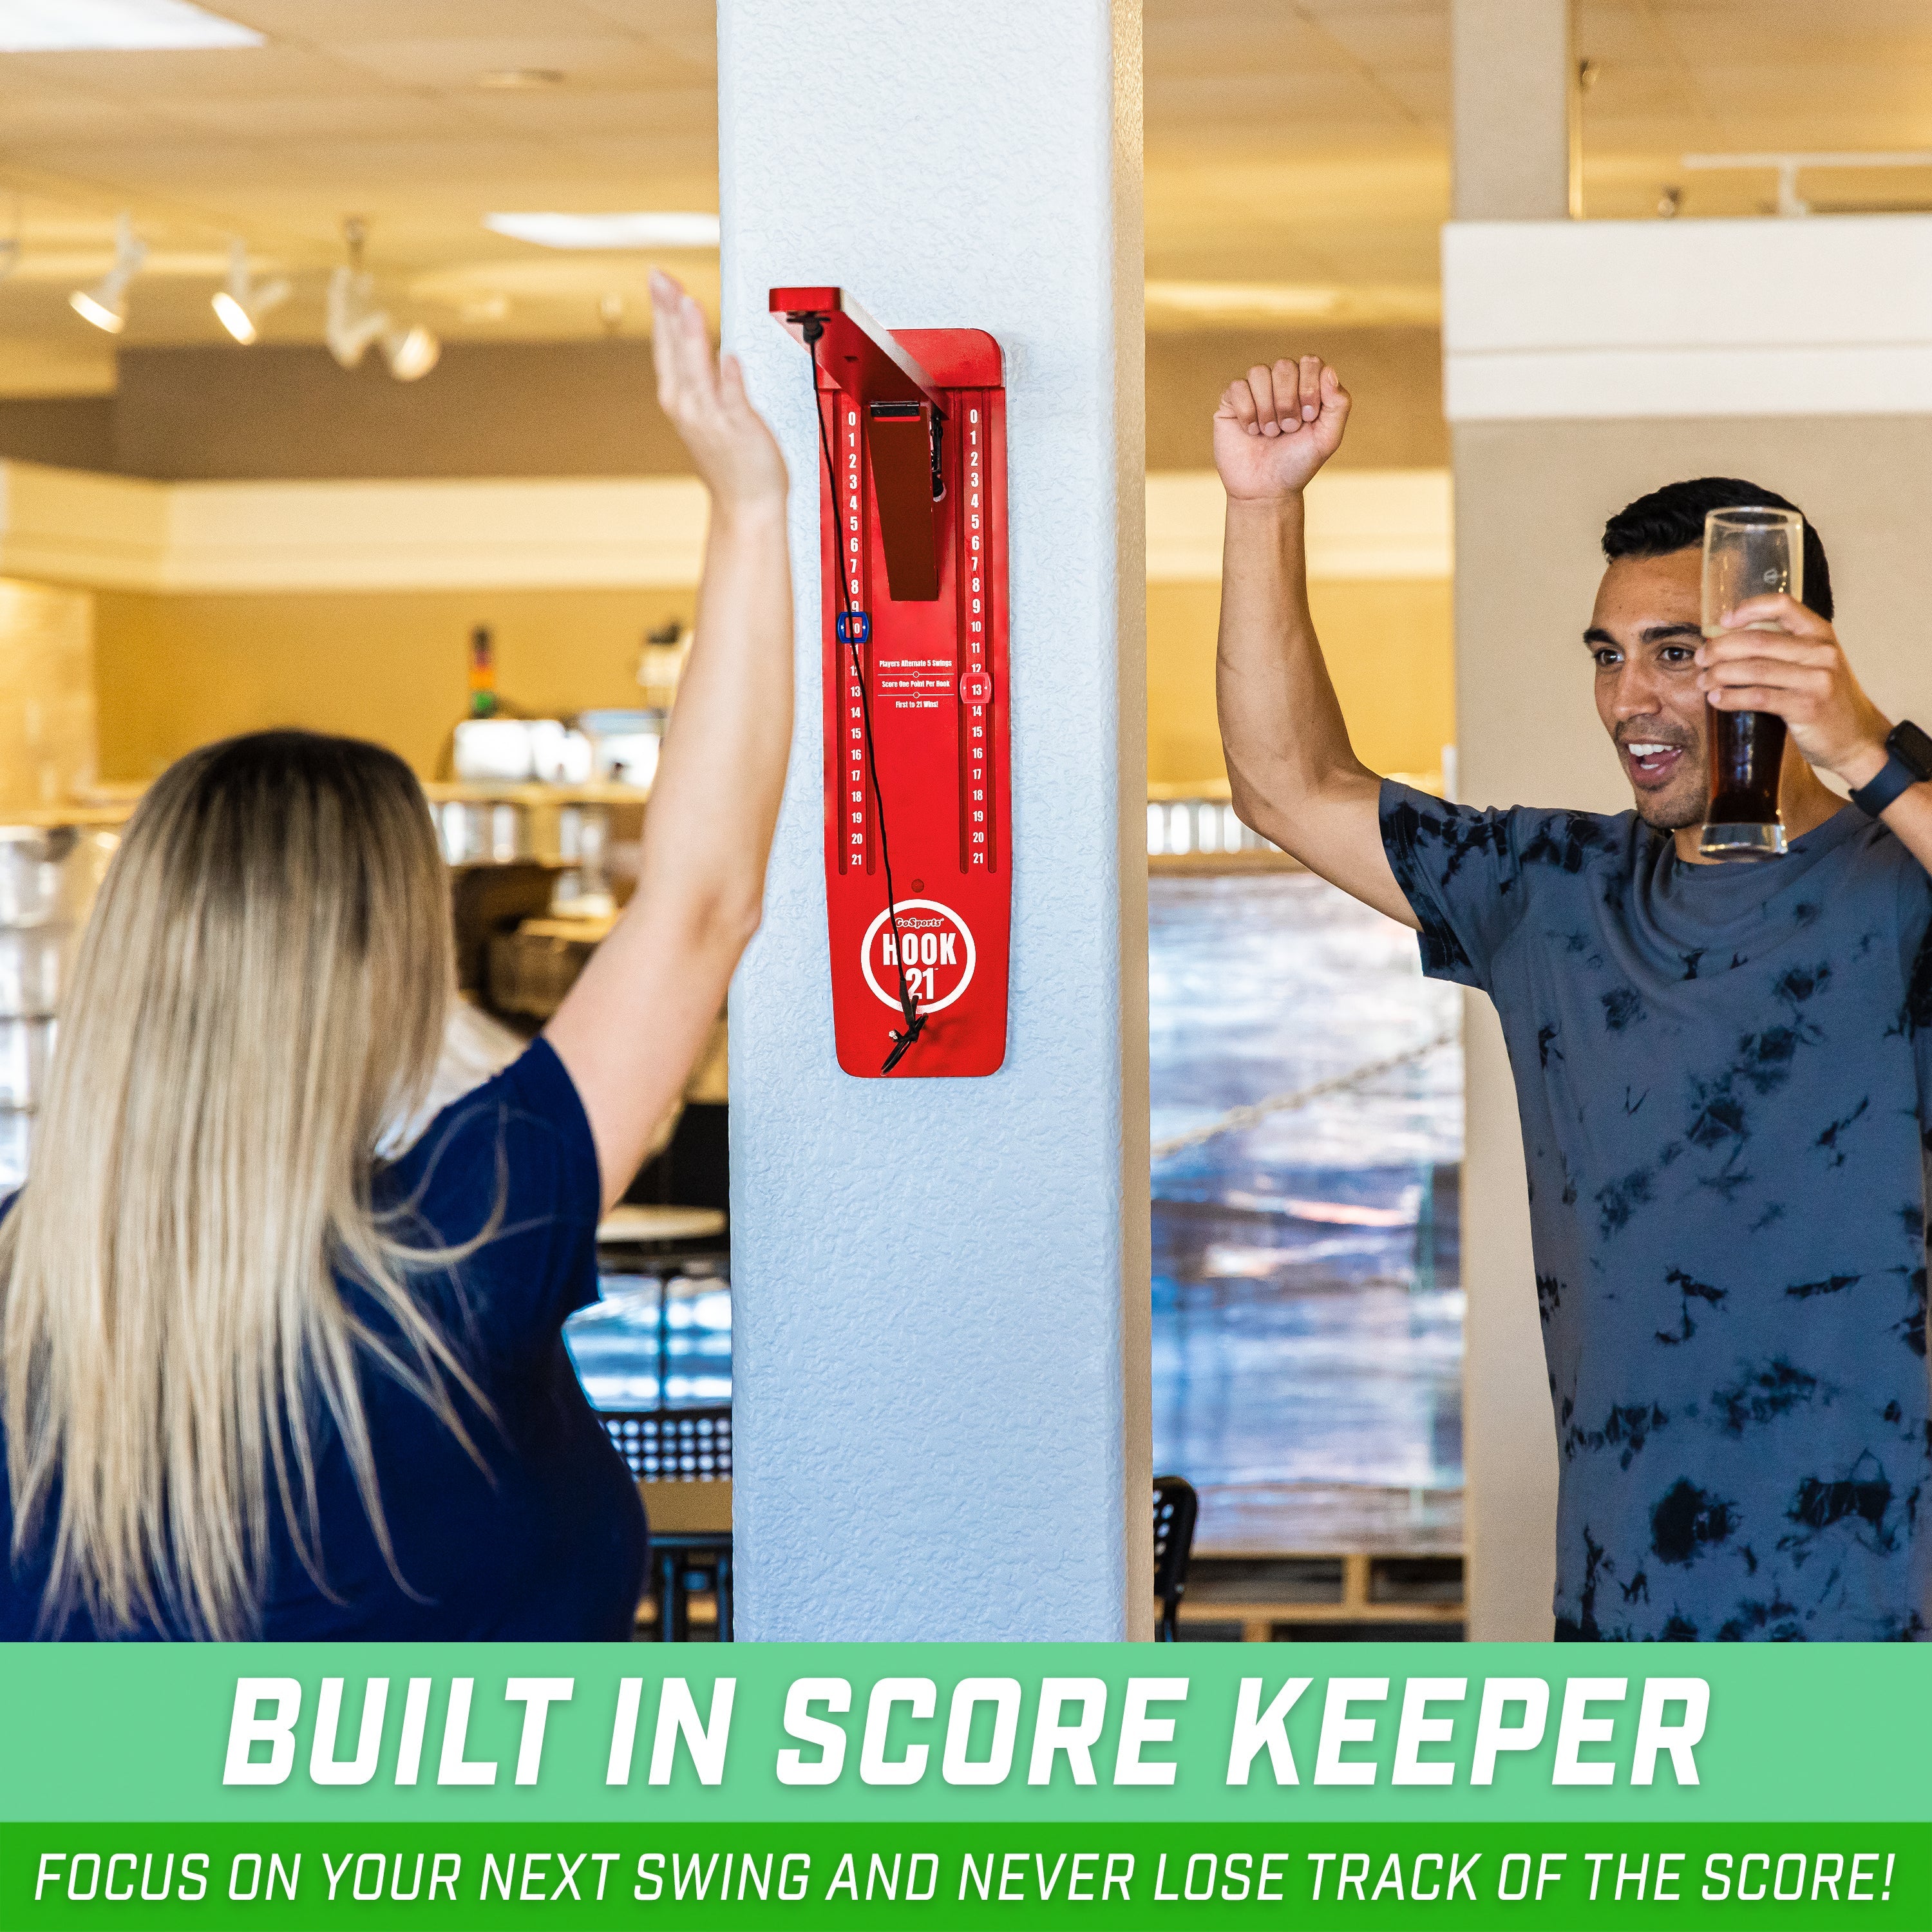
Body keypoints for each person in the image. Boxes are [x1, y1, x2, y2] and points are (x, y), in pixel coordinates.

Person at [0, 271, 791, 1640]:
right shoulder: (463, 1235)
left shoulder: (26, 1285)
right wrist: (754, 511)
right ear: (377, 977)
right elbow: (702, 901)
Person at [1215, 353, 1932, 1641]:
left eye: (1675, 653)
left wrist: (1865, 747)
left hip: (1895, 1621)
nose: (1627, 698)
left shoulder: (1904, 862)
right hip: (1633, 1615)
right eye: (1610, 655)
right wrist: (1264, 509)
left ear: (1784, 655)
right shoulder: (1554, 891)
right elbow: (1287, 784)